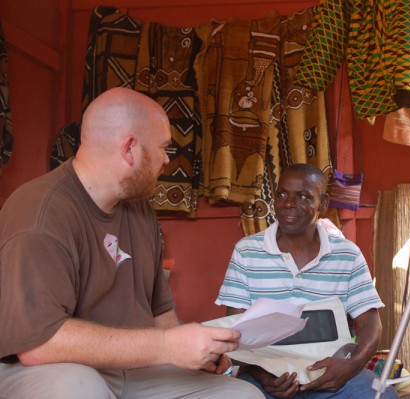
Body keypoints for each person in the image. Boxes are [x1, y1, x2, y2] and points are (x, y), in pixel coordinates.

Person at [0, 87, 263, 399]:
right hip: (48, 368)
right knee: (79, 390)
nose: (167, 159)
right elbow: (39, 346)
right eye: (164, 147)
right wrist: (167, 347)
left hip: (133, 369)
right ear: (129, 149)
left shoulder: (138, 207)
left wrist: (195, 351)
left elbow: (160, 313)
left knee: (242, 396)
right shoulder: (41, 213)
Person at [216, 163, 399, 398]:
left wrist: (350, 366)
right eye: (282, 194)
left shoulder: (347, 255)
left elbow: (370, 325)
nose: (289, 203)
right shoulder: (247, 251)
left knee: (382, 396)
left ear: (322, 203)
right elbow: (236, 331)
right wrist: (261, 373)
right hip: (265, 375)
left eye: (302, 196)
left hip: (332, 373)